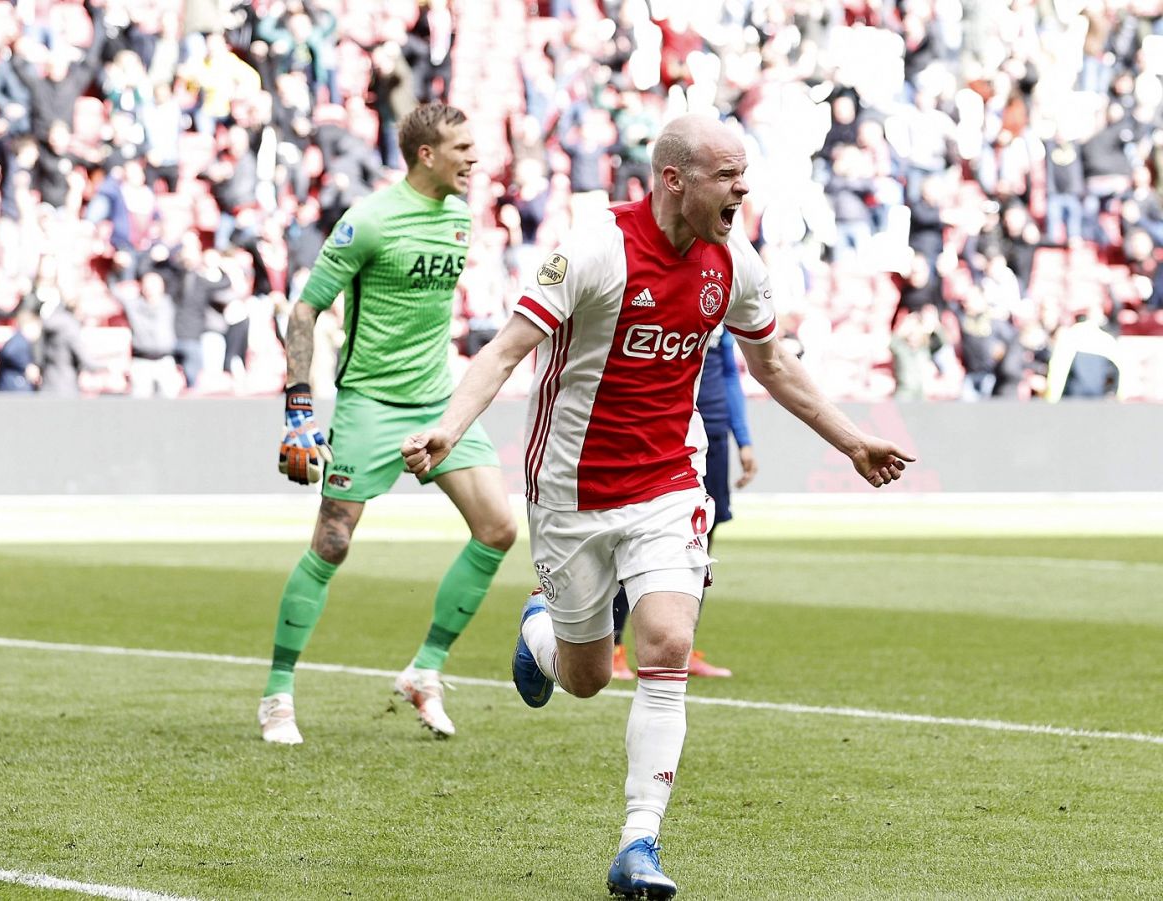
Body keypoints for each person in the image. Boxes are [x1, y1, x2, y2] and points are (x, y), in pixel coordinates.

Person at [402, 114, 913, 898]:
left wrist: (853, 440)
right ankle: (542, 632)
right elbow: (507, 349)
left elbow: (773, 363)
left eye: (745, 174)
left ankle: (639, 841)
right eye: (727, 175)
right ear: (674, 180)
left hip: (670, 484)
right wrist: (447, 426)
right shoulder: (595, 247)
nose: (743, 188)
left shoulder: (733, 262)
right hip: (571, 490)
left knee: (667, 639)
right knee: (584, 678)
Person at [259, 103, 516, 745]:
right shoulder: (368, 221)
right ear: (426, 154)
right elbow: (305, 310)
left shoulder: (460, 217)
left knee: (499, 528)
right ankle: (277, 694)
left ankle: (424, 671)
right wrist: (298, 410)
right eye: (462, 148)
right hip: (369, 403)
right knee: (333, 543)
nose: (474, 159)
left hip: (438, 399)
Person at [609, 328, 754, 681]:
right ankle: (612, 646)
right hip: (665, 430)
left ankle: (682, 647)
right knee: (639, 531)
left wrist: (744, 438)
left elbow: (730, 372)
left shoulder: (721, 293)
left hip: (714, 429)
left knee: (701, 538)